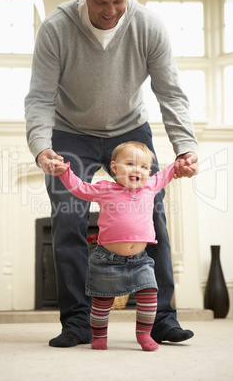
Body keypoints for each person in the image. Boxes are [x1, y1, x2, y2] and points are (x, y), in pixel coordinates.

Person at [25, 0, 199, 348]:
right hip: (70, 131)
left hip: (130, 129)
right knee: (68, 216)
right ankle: (77, 322)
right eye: (100, 1)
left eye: (119, 1)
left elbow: (170, 91)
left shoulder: (148, 26)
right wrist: (42, 148)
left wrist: (185, 147)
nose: (110, 10)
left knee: (153, 217)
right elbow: (40, 97)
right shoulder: (56, 29)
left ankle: (162, 320)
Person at [54, 141, 181, 351]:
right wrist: (65, 172)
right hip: (107, 261)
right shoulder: (105, 188)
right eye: (130, 163)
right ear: (114, 168)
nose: (136, 170)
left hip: (140, 260)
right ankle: (99, 336)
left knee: (150, 295)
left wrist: (180, 163)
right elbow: (80, 188)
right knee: (102, 303)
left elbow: (168, 172)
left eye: (143, 167)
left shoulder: (150, 186)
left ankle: (143, 334)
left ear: (149, 171)